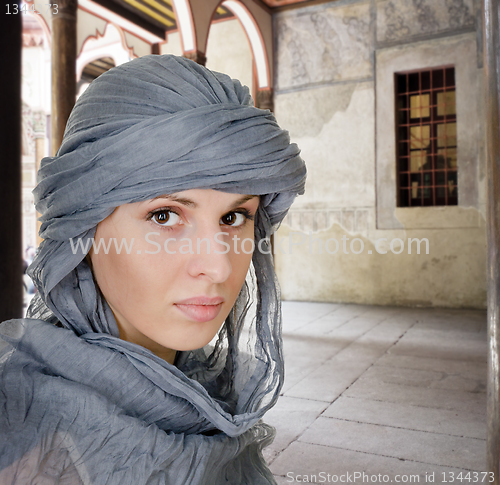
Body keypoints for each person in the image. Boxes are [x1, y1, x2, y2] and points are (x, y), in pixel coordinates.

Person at [0, 54, 306, 484]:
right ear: (83, 233)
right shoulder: (21, 434)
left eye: (234, 217)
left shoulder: (206, 390)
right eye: (165, 216)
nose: (217, 266)